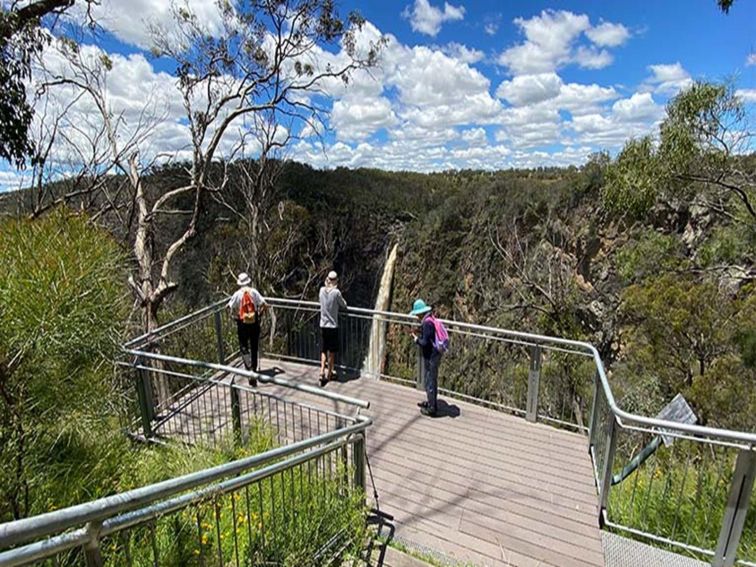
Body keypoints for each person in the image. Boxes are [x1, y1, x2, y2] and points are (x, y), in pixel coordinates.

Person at [227, 272, 267, 385]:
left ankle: (248, 368)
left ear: (239, 283)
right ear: (248, 281)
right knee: (254, 346)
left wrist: (234, 317)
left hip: (242, 323)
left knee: (243, 345)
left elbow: (229, 306)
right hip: (254, 322)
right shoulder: (253, 292)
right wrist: (260, 314)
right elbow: (263, 303)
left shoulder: (237, 294)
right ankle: (254, 370)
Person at [410, 298, 441, 417]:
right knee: (430, 379)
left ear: (420, 313)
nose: (416, 316)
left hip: (431, 355)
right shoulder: (429, 319)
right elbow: (429, 336)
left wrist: (415, 338)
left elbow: (424, 342)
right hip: (433, 354)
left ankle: (432, 408)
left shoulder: (427, 323)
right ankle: (430, 402)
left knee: (430, 380)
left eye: (417, 314)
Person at [319, 270, 347, 387]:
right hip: (332, 326)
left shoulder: (321, 290)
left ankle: (321, 372)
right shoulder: (336, 293)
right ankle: (330, 373)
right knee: (332, 352)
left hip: (322, 325)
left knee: (324, 349)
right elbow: (344, 304)